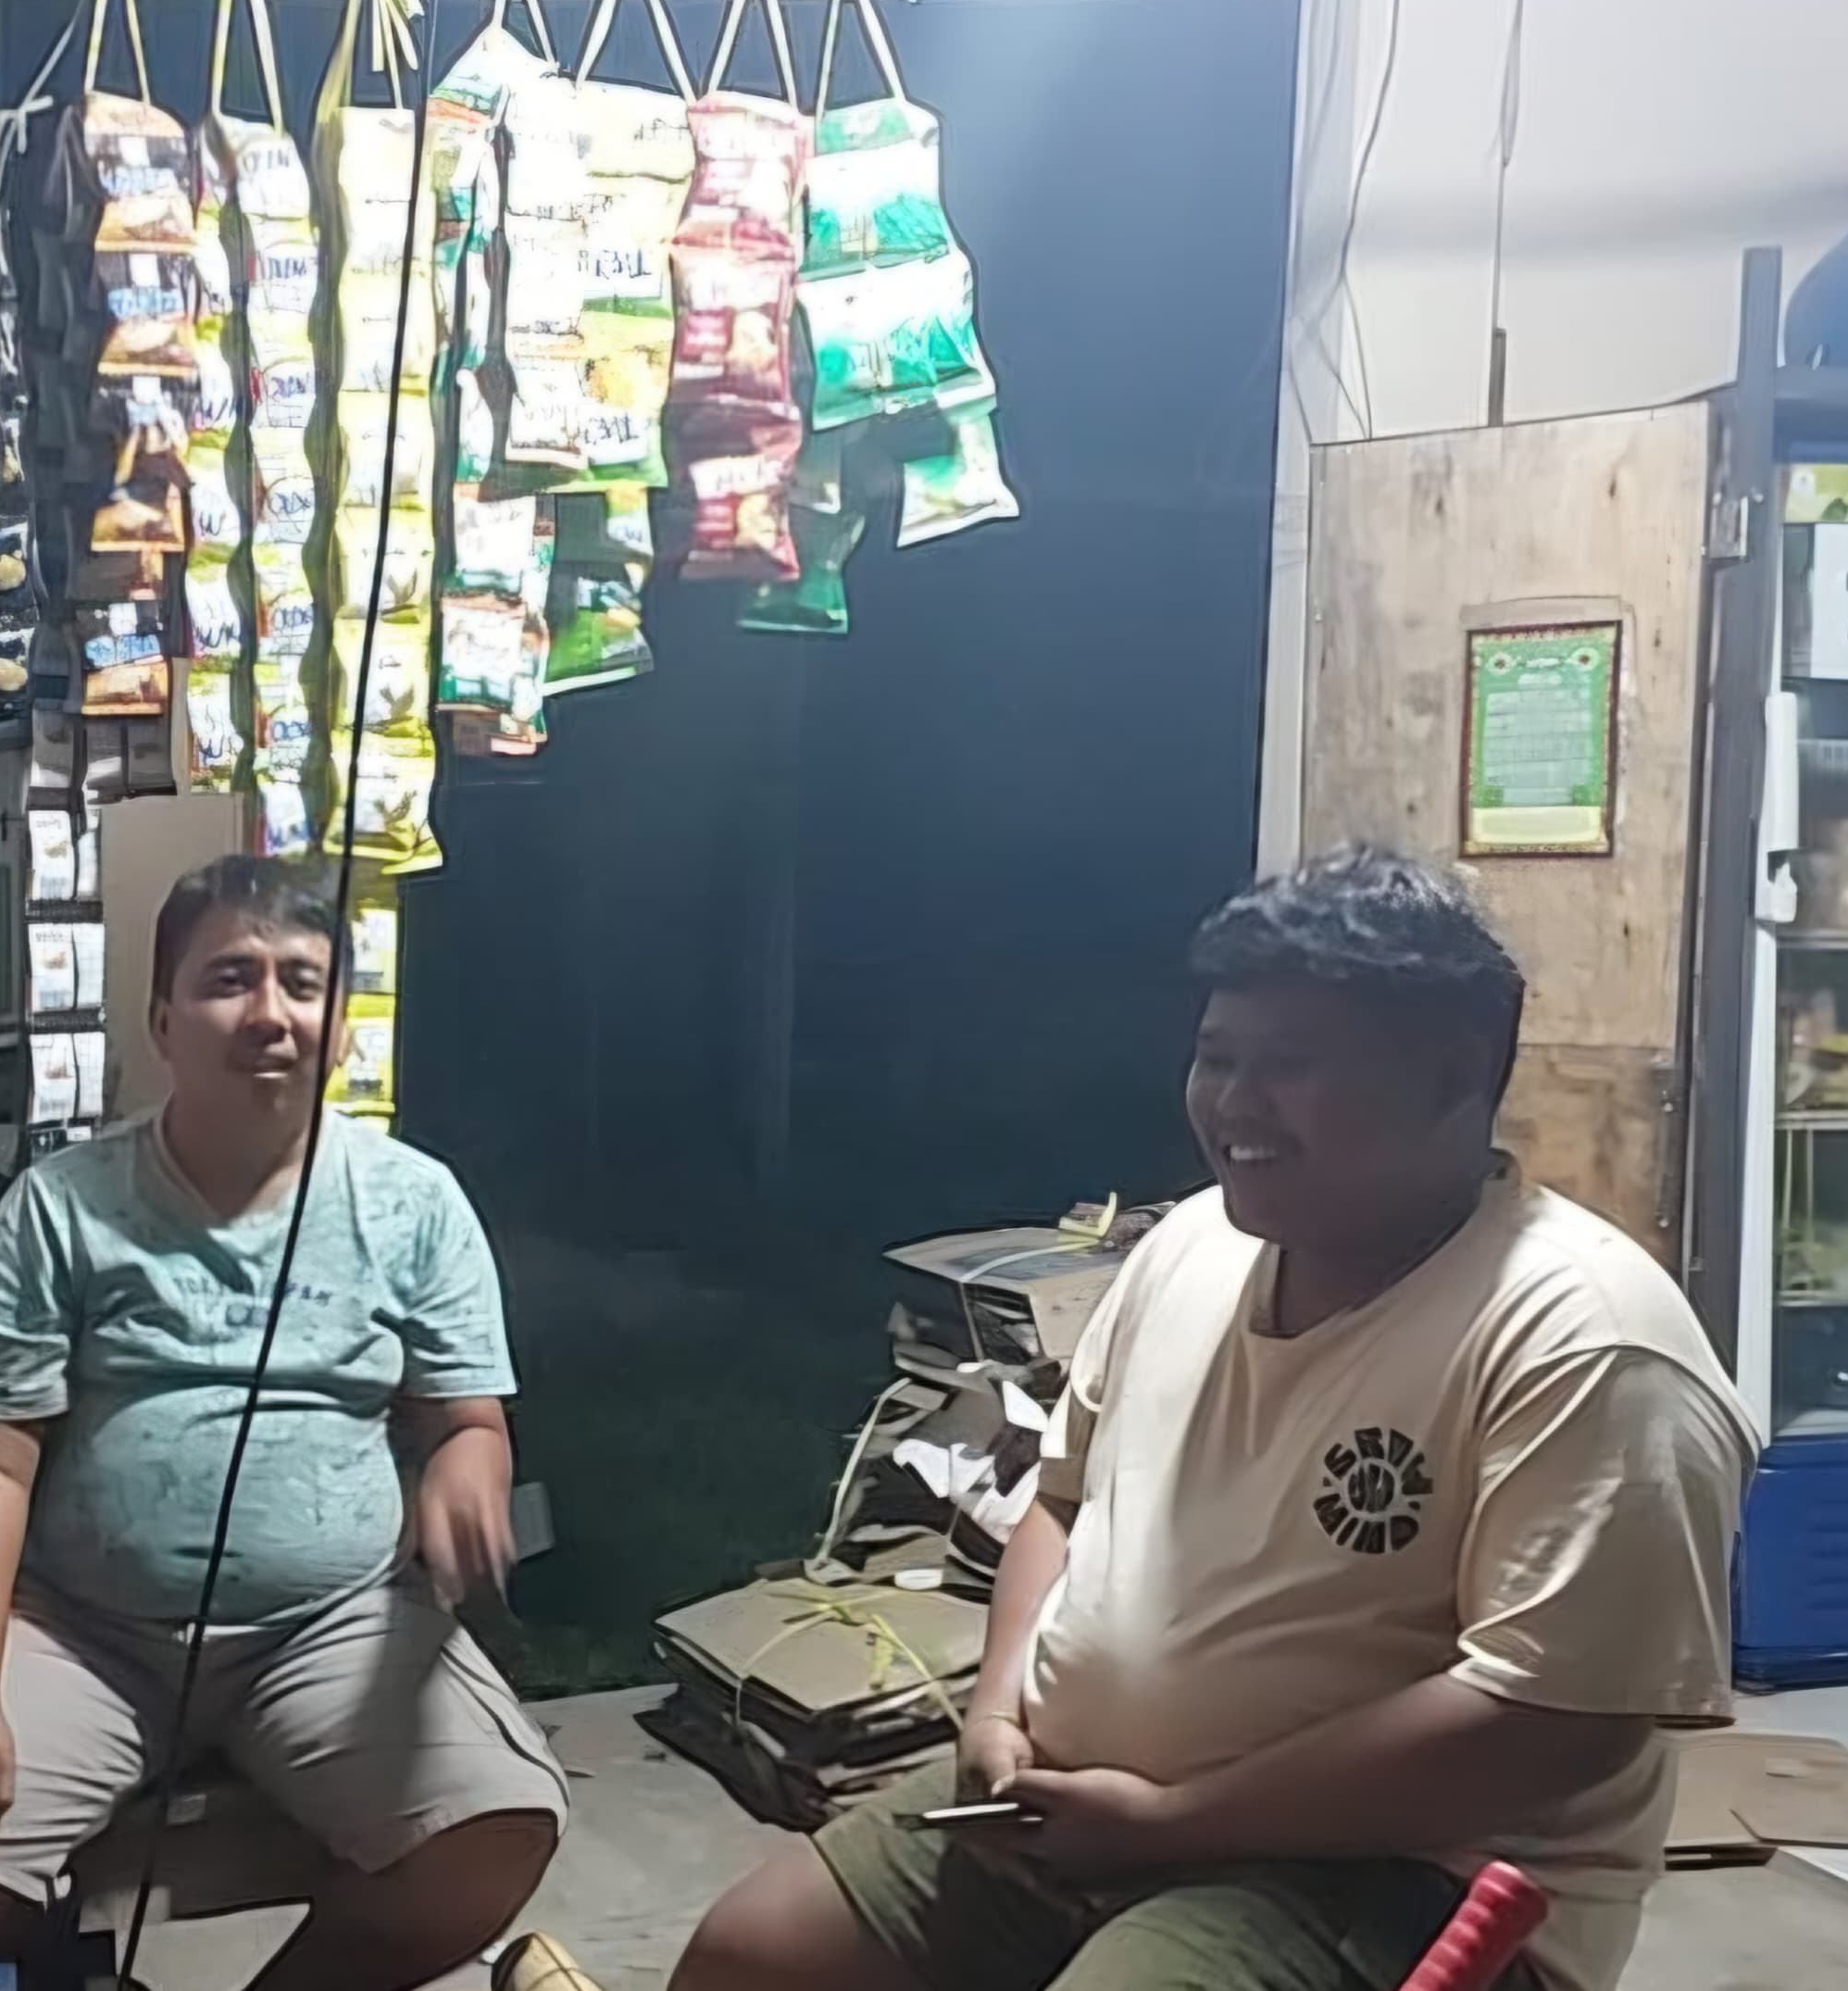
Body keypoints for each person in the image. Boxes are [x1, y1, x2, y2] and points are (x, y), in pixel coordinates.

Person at [672, 845, 1757, 1991]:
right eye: (1217, 1055)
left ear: (1451, 1073)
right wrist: (993, 1713)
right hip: (1074, 1803)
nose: (1233, 1102)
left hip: (1392, 1865)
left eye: (1289, 1065)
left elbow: (1555, 1721)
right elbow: (1061, 1498)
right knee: (752, 1955)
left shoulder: (1585, 1338)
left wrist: (1172, 1820)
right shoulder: (1193, 1241)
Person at [0, 855, 566, 1991]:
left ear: (339, 1024)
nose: (269, 1012)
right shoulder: (62, 1205)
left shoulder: (416, 1203)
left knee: (496, 1830)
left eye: (302, 982)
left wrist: (466, 1464)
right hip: (87, 1629)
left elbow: (465, 1415)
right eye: (230, 977)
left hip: (329, 1626)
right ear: (163, 1019)